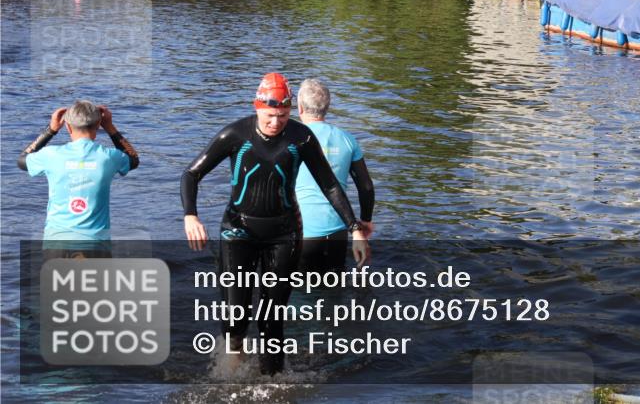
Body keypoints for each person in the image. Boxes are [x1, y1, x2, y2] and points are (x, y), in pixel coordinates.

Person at [181, 72, 370, 375]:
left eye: (282, 116)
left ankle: (273, 381)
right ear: (257, 107)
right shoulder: (236, 135)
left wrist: (355, 229)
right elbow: (191, 174)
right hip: (238, 232)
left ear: (291, 110)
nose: (275, 123)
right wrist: (191, 215)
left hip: (284, 235)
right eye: (269, 116)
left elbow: (330, 185)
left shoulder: (300, 138)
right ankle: (231, 371)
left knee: (272, 320)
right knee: (236, 317)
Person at [17, 101, 140, 249]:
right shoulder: (109, 157)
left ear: (68, 127)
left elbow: (22, 160)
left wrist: (51, 130)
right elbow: (133, 159)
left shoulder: (51, 155)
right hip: (96, 244)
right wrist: (109, 127)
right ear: (98, 125)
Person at [295, 79, 375, 275]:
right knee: (334, 286)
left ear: (300, 107)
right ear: (327, 107)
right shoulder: (347, 139)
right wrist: (365, 221)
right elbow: (366, 187)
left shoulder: (293, 138)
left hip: (302, 232)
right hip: (339, 230)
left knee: (296, 289)